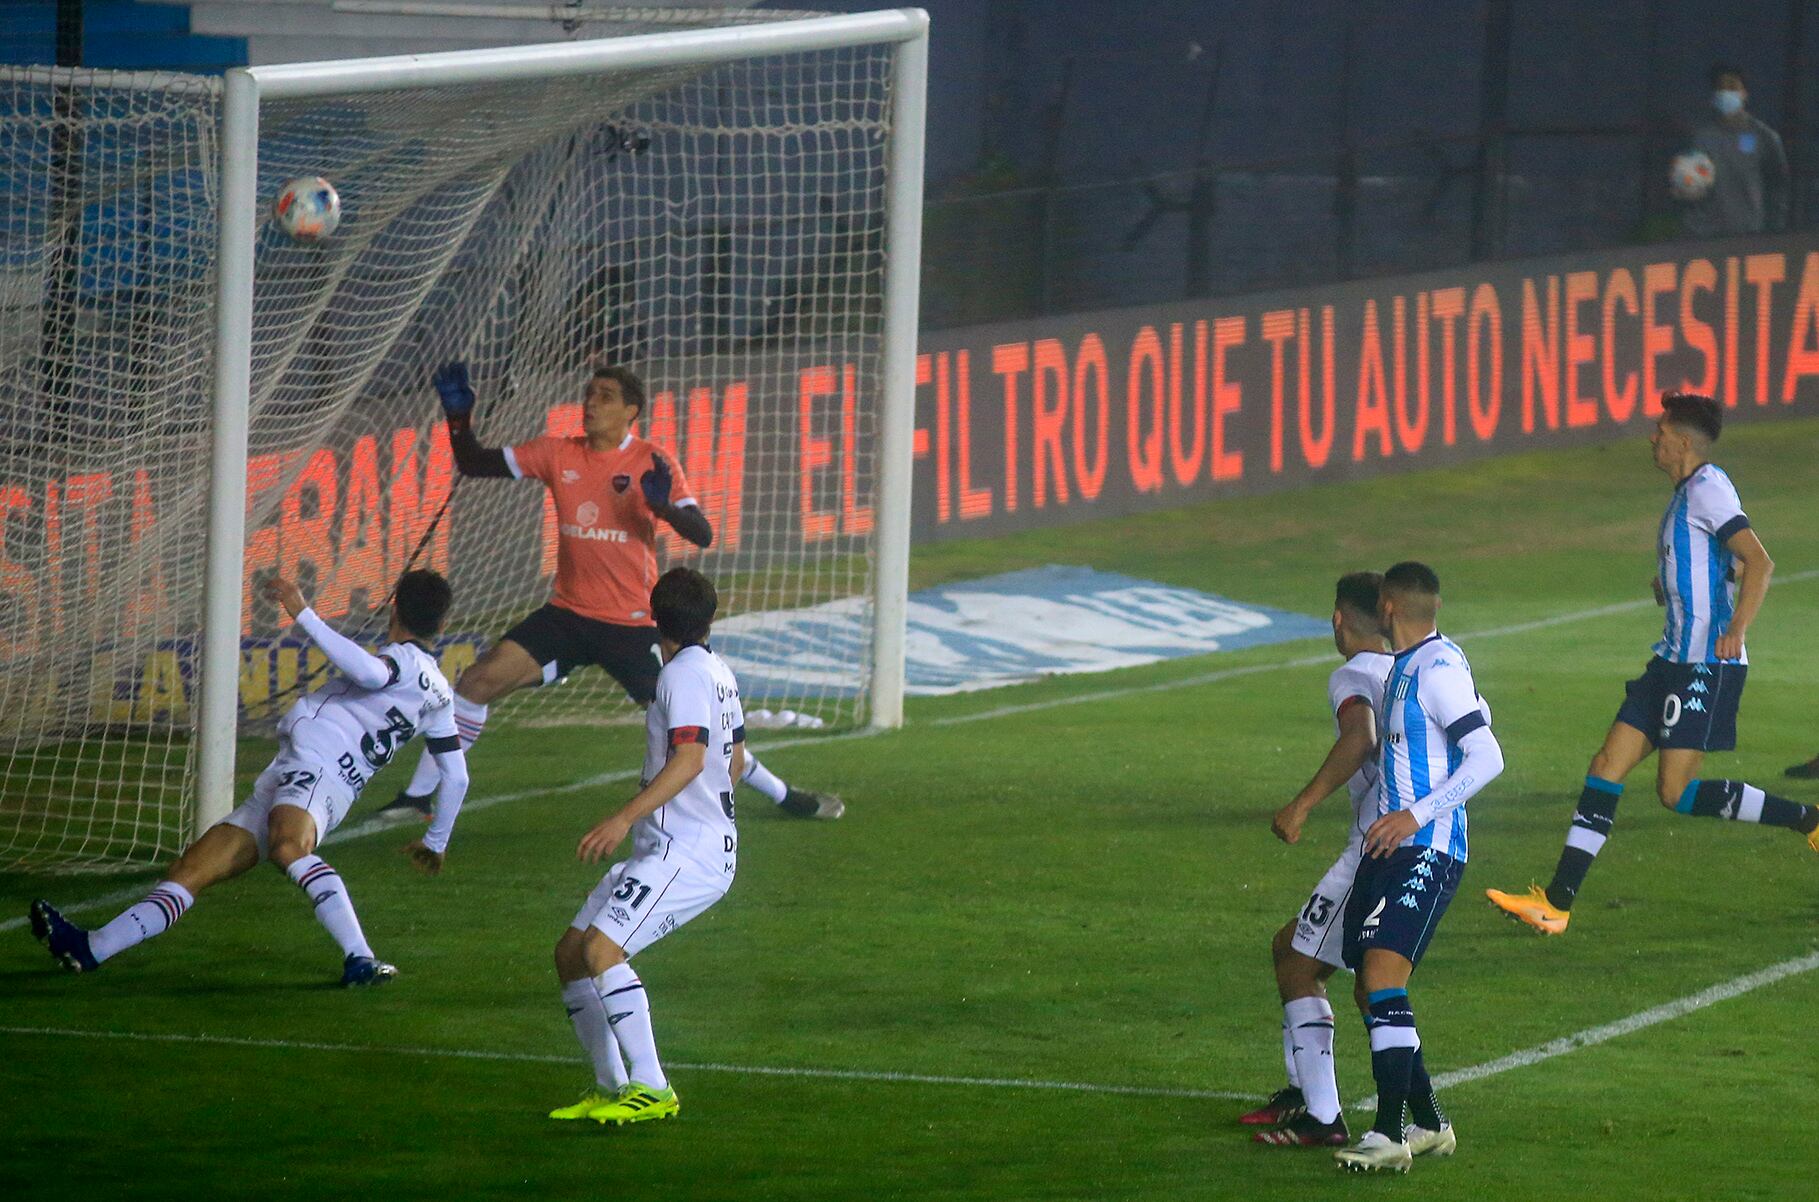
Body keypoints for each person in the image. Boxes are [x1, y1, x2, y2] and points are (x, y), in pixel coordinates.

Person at [384, 362, 842, 822]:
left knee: (688, 724)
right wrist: (458, 416)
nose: (590, 403)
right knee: (475, 683)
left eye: (605, 396)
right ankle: (419, 796)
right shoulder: (557, 452)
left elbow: (701, 533)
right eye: (588, 394)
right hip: (567, 615)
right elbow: (473, 461)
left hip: (633, 624)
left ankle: (784, 796)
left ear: (631, 410)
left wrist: (661, 505)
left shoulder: (651, 462)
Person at [29, 570, 468, 986]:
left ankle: (360, 956)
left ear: (393, 608)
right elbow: (457, 776)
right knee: (190, 869)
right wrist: (437, 842)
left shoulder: (403, 661)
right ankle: (92, 948)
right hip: (311, 774)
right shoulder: (441, 693)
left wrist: (303, 612)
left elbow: (372, 673)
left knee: (287, 848)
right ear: (443, 622)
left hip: (318, 768)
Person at [1487, 393, 1814, 935]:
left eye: (1660, 431)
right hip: (1669, 661)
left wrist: (1736, 631)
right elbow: (1723, 563)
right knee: (1605, 766)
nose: (1652, 439)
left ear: (1683, 443)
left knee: (1676, 794)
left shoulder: (1709, 487)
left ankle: (1809, 821)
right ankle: (1557, 903)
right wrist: (1674, 585)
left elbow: (1759, 560)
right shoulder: (1690, 492)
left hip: (1702, 666)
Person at [546, 567, 742, 1125]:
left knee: (602, 952)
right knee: (571, 953)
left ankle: (652, 1088)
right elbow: (737, 761)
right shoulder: (718, 671)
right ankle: (610, 1088)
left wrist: (621, 818)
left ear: (654, 617)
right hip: (673, 845)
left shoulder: (680, 676)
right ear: (710, 616)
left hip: (688, 850)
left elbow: (690, 758)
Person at [1334, 562, 1501, 1174]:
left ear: (1387, 607)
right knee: (1368, 986)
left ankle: (1387, 1133)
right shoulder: (1406, 668)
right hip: (1392, 848)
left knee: (1381, 977)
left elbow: (1488, 756)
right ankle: (1429, 1122)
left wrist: (1414, 815)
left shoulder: (1438, 669)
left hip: (1428, 849)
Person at [1243, 573, 1392, 1148]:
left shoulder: (1353, 674)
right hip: (1419, 840)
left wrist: (1301, 806)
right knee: (1301, 954)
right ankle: (1307, 1092)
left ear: (1338, 620)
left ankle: (1323, 1117)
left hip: (1375, 849)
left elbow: (1359, 734)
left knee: (1302, 965)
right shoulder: (1409, 669)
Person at [1681, 65, 1789, 238]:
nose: (1726, 93)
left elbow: (1778, 186)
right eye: (1720, 88)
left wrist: (1773, 229)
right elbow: (1690, 187)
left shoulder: (1764, 136)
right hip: (1706, 237)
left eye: (1732, 87)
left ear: (1744, 93)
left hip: (1750, 235)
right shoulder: (1701, 138)